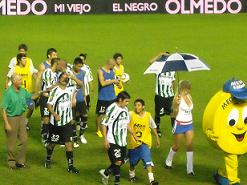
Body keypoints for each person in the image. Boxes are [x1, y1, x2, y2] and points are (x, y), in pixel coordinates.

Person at [1, 74, 42, 169]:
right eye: (19, 80)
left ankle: (20, 162)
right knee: (12, 142)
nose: (21, 81)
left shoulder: (23, 91)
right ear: (14, 81)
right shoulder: (8, 92)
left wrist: (40, 93)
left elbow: (30, 98)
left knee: (24, 140)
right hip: (11, 118)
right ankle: (11, 163)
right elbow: (3, 109)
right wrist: (6, 123)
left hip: (21, 118)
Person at [99, 91, 137, 185]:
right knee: (118, 161)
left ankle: (105, 173)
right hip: (112, 140)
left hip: (123, 141)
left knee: (121, 161)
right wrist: (105, 139)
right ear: (120, 100)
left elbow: (126, 123)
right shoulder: (112, 109)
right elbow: (104, 124)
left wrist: (134, 135)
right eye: (126, 101)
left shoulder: (125, 109)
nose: (127, 103)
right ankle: (117, 182)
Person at [44, 72, 79, 174]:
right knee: (52, 144)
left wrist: (73, 77)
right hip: (56, 123)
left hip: (67, 122)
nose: (65, 79)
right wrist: (55, 114)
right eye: (63, 78)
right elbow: (49, 105)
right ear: (59, 79)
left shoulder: (70, 88)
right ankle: (48, 159)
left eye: (66, 78)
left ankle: (70, 166)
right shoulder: (55, 91)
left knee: (69, 144)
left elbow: (80, 85)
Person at [165, 80, 194, 175]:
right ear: (182, 88)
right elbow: (173, 114)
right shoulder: (177, 99)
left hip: (189, 124)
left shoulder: (189, 96)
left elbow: (190, 109)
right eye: (186, 89)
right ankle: (168, 161)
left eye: (188, 89)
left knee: (189, 145)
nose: (188, 91)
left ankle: (190, 169)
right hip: (180, 124)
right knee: (176, 146)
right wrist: (176, 106)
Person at [128, 99, 160, 185]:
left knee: (147, 160)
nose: (136, 107)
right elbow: (125, 124)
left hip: (145, 142)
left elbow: (153, 126)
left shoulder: (148, 116)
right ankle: (131, 175)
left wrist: (157, 137)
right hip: (134, 144)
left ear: (143, 106)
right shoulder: (130, 114)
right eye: (135, 105)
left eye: (138, 105)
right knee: (133, 163)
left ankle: (151, 180)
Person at [6, 53, 38, 130]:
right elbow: (8, 78)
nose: (25, 60)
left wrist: (37, 80)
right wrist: (7, 88)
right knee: (18, 110)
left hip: (27, 94)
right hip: (17, 93)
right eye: (23, 59)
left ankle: (25, 122)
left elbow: (36, 76)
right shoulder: (15, 69)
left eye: (26, 58)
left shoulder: (29, 68)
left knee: (31, 107)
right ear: (19, 60)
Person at [149, 52, 176, 137]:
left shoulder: (172, 70)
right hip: (160, 95)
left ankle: (174, 128)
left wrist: (173, 94)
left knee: (172, 112)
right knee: (158, 113)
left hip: (170, 96)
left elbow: (173, 82)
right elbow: (150, 62)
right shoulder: (158, 69)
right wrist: (160, 54)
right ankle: (157, 129)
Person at [95, 58, 121, 137]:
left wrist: (118, 84)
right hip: (103, 98)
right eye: (113, 65)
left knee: (112, 113)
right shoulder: (100, 71)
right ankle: (98, 130)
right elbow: (102, 83)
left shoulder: (112, 71)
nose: (114, 67)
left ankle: (110, 128)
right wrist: (113, 81)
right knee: (100, 115)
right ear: (109, 64)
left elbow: (114, 82)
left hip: (112, 97)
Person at [40, 58, 59, 145]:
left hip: (53, 99)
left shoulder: (56, 73)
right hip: (46, 98)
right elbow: (48, 88)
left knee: (52, 118)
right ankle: (44, 136)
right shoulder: (48, 72)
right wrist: (59, 84)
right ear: (55, 64)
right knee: (46, 118)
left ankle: (52, 137)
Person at [72, 57, 88, 144]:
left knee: (84, 116)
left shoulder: (82, 73)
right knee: (73, 119)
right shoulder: (69, 73)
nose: (79, 68)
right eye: (78, 66)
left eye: (81, 66)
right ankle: (74, 138)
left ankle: (81, 135)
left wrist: (84, 97)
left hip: (80, 98)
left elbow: (82, 85)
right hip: (72, 100)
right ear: (74, 64)